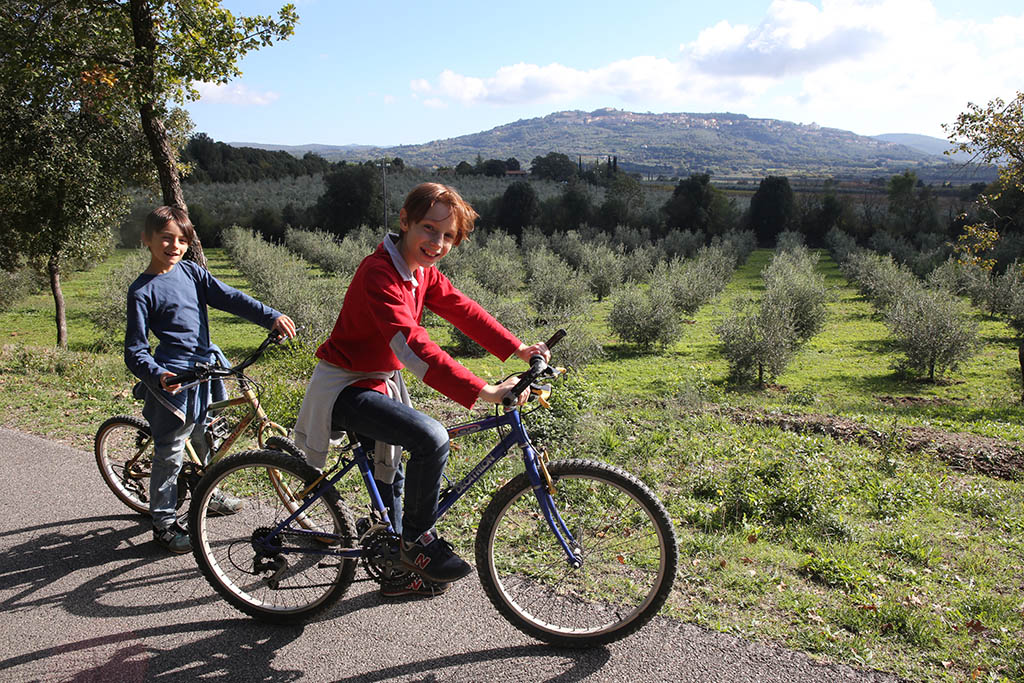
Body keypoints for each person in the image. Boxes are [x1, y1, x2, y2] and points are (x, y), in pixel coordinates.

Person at [293, 182, 549, 598]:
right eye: (430, 229)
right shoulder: (379, 272)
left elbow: (462, 309)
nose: (438, 243)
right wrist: (484, 390)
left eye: (449, 237)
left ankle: (396, 566)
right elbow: (410, 343)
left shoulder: (420, 271)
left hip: (378, 383)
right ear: (405, 221)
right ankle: (417, 543)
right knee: (431, 438)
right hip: (343, 386)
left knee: (393, 478)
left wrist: (519, 349)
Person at [125, 206, 296, 554]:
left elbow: (230, 297)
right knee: (170, 452)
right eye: (167, 239)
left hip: (206, 366)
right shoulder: (142, 291)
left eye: (182, 240)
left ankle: (208, 492)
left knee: (206, 434)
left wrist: (271, 316)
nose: (175, 246)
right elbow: (135, 350)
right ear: (147, 239)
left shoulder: (191, 272)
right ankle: (163, 522)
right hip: (175, 376)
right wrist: (159, 376)